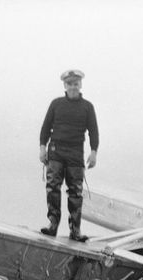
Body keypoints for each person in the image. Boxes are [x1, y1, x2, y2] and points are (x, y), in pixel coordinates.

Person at [39, 69, 99, 242]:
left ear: (80, 85)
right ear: (65, 85)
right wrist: (42, 148)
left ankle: (75, 231)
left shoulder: (88, 107)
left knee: (75, 193)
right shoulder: (56, 104)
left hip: (76, 154)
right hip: (56, 151)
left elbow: (94, 131)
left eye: (76, 83)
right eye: (70, 84)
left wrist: (93, 152)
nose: (73, 87)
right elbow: (45, 128)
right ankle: (52, 225)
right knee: (52, 188)